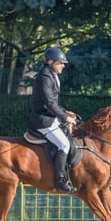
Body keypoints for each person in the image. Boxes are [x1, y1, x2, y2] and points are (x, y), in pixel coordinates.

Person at [29, 47, 78, 193]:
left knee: (69, 139)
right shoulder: (44, 77)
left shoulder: (52, 74)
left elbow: (52, 102)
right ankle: (60, 180)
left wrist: (65, 112)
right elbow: (50, 104)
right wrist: (65, 118)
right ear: (50, 61)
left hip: (50, 116)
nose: (63, 65)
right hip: (43, 120)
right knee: (64, 144)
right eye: (60, 63)